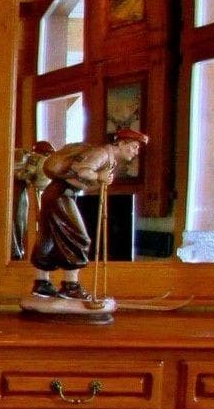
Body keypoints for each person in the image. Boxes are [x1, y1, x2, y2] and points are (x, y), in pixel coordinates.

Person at [30, 128, 148, 301]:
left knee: (48, 238)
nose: (136, 152)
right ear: (121, 143)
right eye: (134, 147)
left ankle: (42, 283)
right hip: (61, 195)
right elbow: (83, 170)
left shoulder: (110, 158)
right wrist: (100, 176)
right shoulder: (102, 153)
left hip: (56, 194)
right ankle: (71, 286)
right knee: (77, 237)